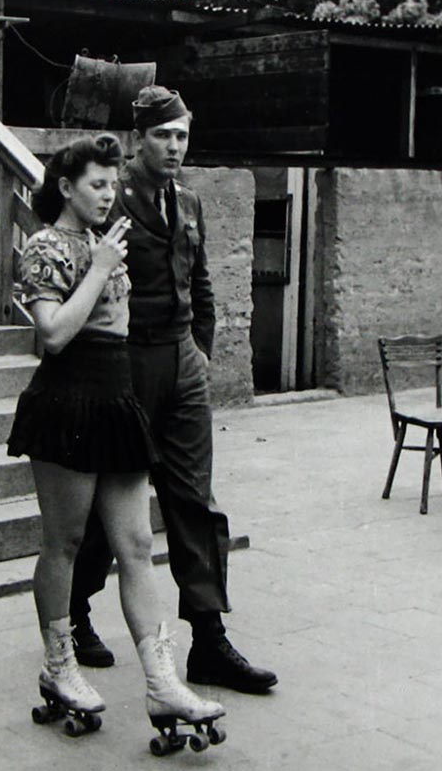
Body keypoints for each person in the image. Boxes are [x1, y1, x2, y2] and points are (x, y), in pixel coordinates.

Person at [7, 135, 225, 737]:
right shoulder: (45, 246)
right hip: (68, 398)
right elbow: (50, 335)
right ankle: (59, 666)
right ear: (66, 187)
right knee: (66, 543)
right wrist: (100, 267)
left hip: (116, 395)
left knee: (135, 545)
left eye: (111, 183)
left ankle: (162, 682)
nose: (108, 194)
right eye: (97, 185)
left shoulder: (108, 242)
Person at [69, 86, 278, 695]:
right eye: (164, 135)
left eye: (182, 135)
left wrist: (201, 352)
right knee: (106, 508)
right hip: (125, 364)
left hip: (181, 362)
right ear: (140, 138)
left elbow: (202, 280)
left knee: (196, 503)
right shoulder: (111, 200)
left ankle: (209, 643)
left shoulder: (188, 201)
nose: (175, 146)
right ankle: (77, 613)